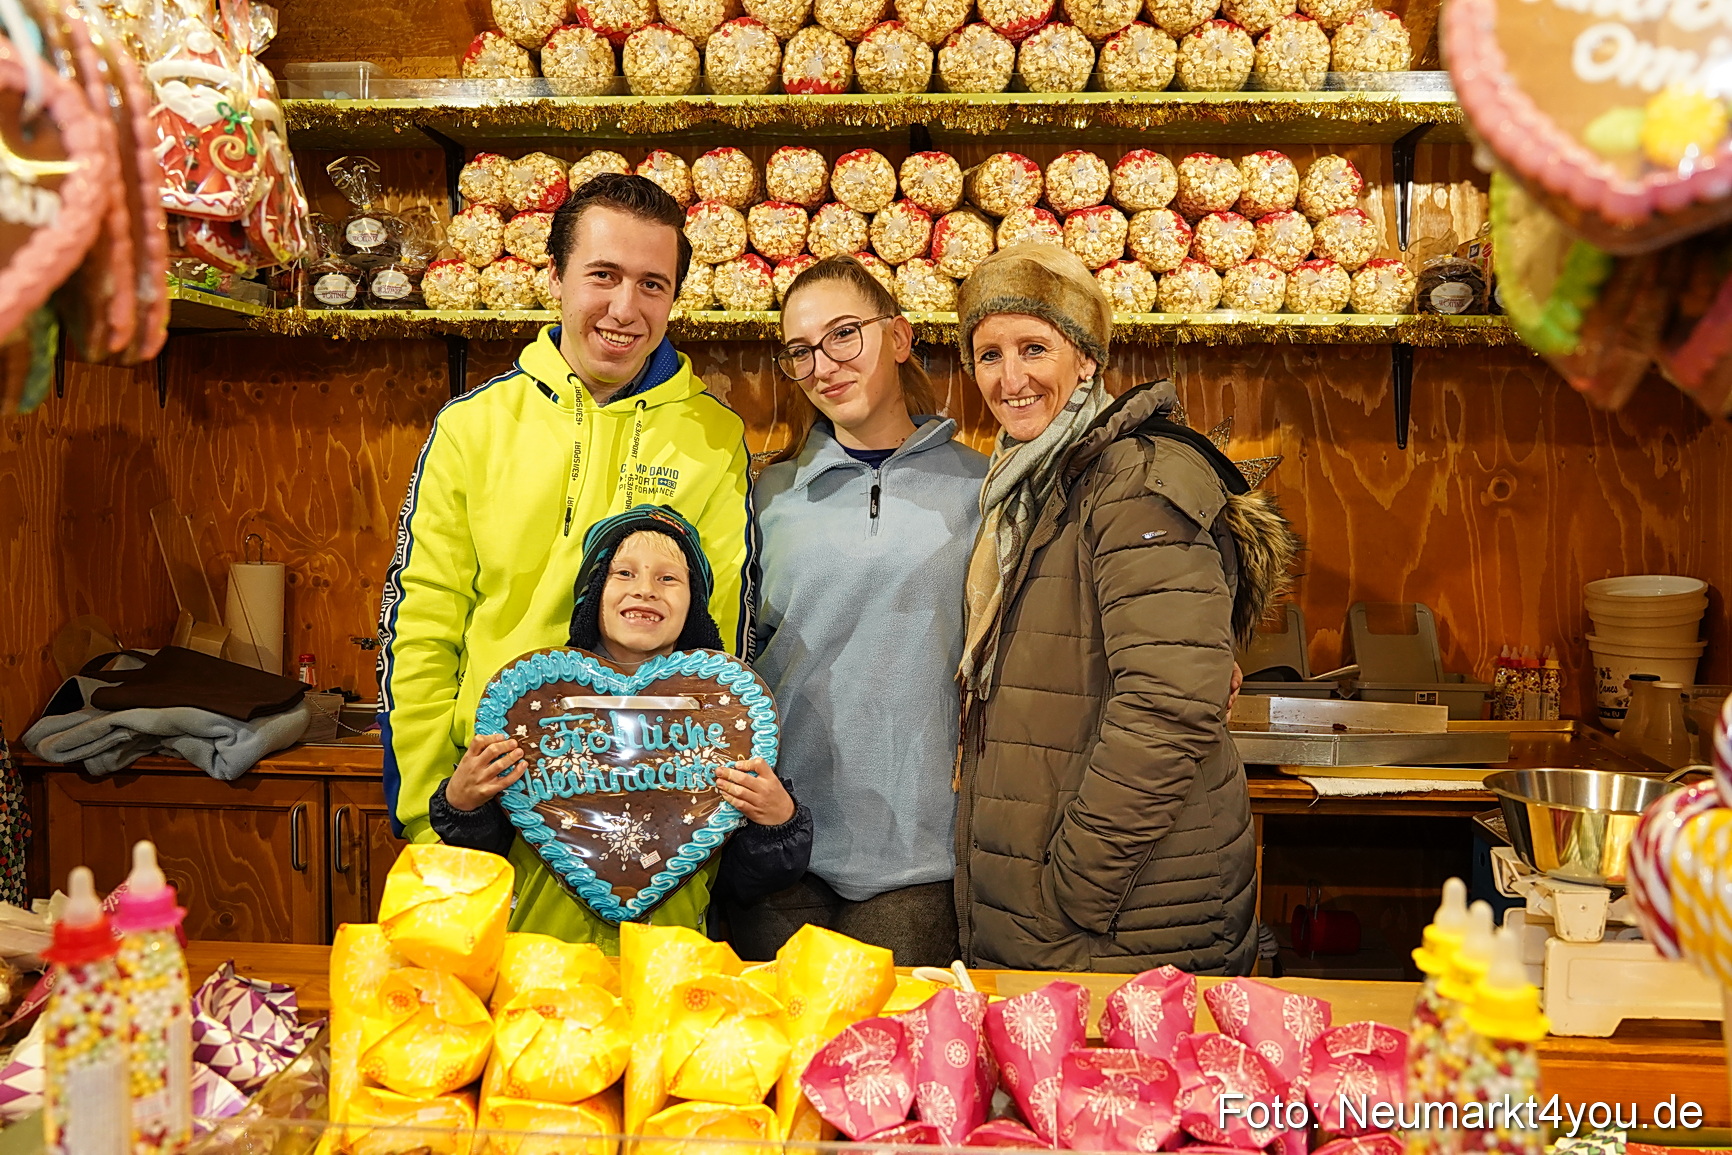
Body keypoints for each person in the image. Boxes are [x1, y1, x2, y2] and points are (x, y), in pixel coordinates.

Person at [377, 173, 756, 852]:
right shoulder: (474, 427)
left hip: (647, 823)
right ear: (555, 277)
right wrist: (435, 812)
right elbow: (422, 622)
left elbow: (716, 637)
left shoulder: (713, 436)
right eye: (602, 275)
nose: (624, 308)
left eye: (652, 284)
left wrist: (689, 826)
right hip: (490, 808)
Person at [951, 245, 1299, 974]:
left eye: (1033, 347)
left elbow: (1169, 702)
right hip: (1071, 914)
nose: (1009, 378)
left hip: (1126, 919)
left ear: (1085, 359)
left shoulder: (1136, 481)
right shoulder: (1037, 484)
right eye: (988, 354)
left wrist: (1079, 882)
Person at [724, 256, 988, 967]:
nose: (824, 364)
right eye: (801, 350)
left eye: (844, 335)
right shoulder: (762, 498)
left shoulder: (982, 490)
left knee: (899, 1065)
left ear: (899, 338)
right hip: (778, 843)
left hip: (920, 852)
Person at [429, 505, 811, 949]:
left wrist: (777, 822)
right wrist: (463, 802)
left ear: (694, 604)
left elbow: (743, 879)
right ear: (593, 593)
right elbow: (479, 850)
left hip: (669, 959)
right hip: (544, 956)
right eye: (624, 573)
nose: (645, 590)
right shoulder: (536, 708)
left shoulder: (724, 720)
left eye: (668, 578)